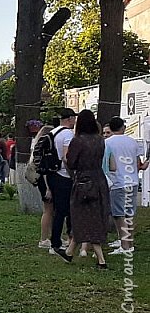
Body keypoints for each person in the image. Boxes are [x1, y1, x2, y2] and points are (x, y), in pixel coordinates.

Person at [51, 110, 111, 268]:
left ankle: (101, 260)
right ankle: (70, 252)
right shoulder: (100, 140)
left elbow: (71, 162)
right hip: (99, 180)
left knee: (80, 216)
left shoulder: (78, 141)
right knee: (93, 216)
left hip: (83, 181)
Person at [105, 116, 149, 255]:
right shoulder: (132, 142)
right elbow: (137, 163)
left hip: (117, 182)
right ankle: (130, 243)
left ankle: (124, 245)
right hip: (133, 181)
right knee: (129, 214)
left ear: (111, 128)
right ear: (123, 127)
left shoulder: (107, 143)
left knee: (119, 215)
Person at [48, 108, 76, 255]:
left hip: (52, 174)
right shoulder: (67, 134)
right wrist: (72, 173)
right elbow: (66, 157)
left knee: (56, 210)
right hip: (64, 175)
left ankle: (55, 240)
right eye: (74, 118)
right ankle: (59, 242)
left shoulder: (52, 133)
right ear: (70, 119)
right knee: (66, 210)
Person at [31, 125, 55, 249]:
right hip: (45, 182)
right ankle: (44, 238)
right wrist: (48, 188)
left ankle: (51, 236)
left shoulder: (37, 147)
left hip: (41, 181)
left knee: (50, 211)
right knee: (48, 210)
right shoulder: (45, 149)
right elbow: (45, 170)